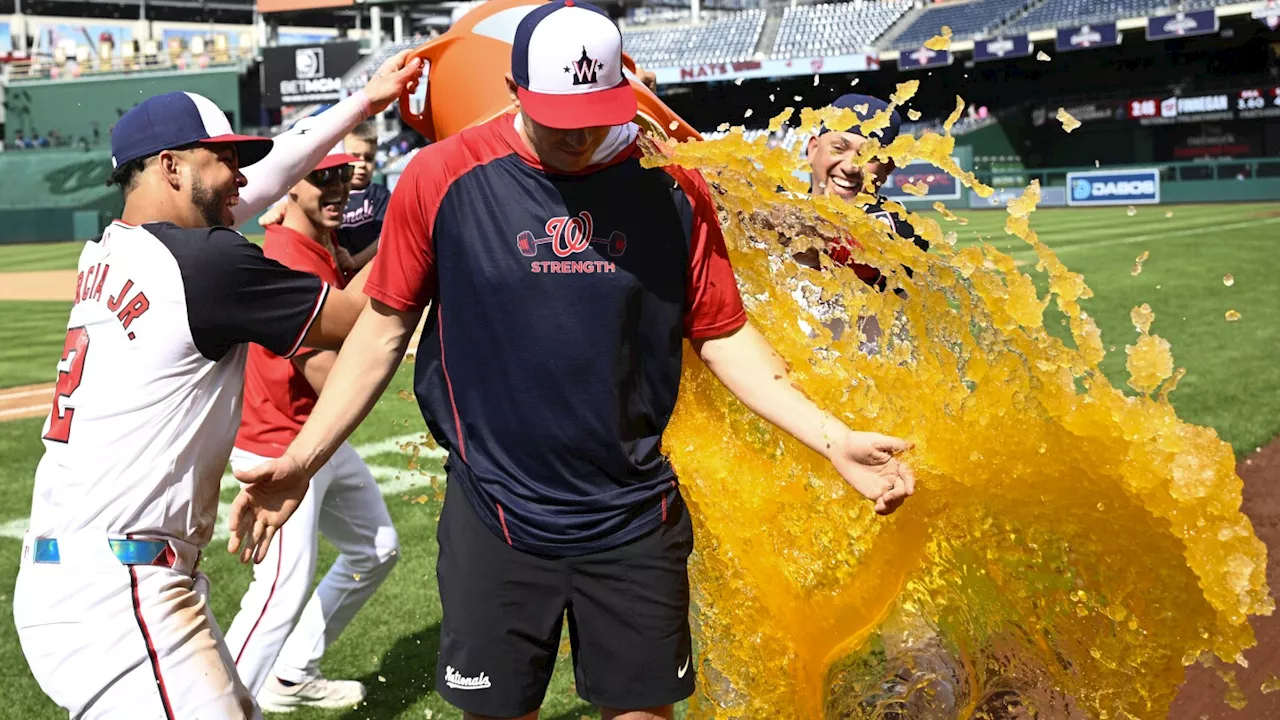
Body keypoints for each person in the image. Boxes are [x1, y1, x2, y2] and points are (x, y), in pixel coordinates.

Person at [229, 4, 915, 719]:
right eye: (559, 115)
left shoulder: (671, 182)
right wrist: (305, 459)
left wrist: (834, 439)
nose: (580, 133)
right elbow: (381, 331)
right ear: (514, 86)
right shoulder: (441, 176)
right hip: (494, 512)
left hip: (634, 515)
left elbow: (720, 333)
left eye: (595, 111)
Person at [12, 52, 420, 720]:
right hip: (122, 596)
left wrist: (363, 102)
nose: (241, 177)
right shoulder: (204, 264)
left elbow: (273, 170)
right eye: (223, 159)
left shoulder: (111, 249)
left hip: (85, 576)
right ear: (171, 166)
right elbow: (368, 320)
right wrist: (424, 205)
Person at [224, 144, 399, 712]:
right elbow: (327, 375)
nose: (338, 187)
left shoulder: (315, 241)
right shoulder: (286, 256)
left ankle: (293, 673)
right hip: (278, 445)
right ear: (291, 186)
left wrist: (408, 229)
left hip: (313, 439)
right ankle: (217, 704)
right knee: (278, 594)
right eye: (322, 177)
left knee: (376, 550)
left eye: (343, 175)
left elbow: (349, 268)